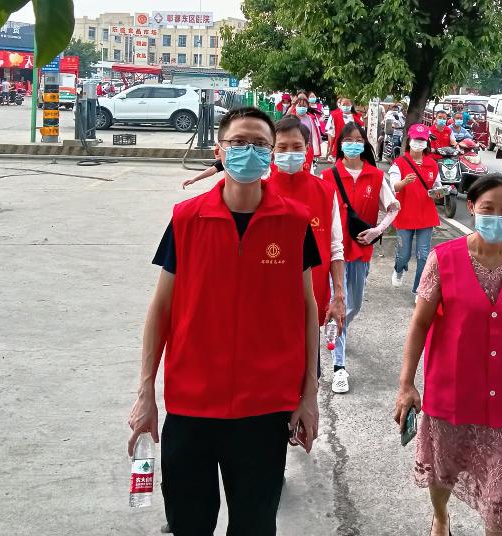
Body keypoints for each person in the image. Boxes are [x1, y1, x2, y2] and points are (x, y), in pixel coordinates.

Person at [128, 107, 321, 535]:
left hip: (264, 407)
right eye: (238, 142)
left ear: (270, 155)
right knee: (189, 523)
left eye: (258, 144)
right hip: (191, 403)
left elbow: (308, 308)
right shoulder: (187, 219)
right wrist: (145, 393)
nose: (248, 151)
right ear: (219, 150)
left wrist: (309, 394)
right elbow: (161, 308)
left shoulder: (293, 222)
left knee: (254, 524)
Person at [394, 173, 502, 536]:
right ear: (471, 208)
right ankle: (441, 517)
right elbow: (420, 323)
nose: (498, 216)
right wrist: (406, 384)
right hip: (452, 390)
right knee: (443, 468)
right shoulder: (443, 259)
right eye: (488, 209)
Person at [323, 122, 399, 393]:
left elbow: (393, 207)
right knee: (340, 302)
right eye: (348, 140)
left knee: (354, 306)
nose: (353, 144)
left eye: (358, 140)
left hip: (361, 251)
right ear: (340, 144)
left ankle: (337, 326)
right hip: (334, 253)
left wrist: (377, 231)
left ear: (364, 143)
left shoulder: (376, 176)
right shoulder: (328, 176)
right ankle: (339, 368)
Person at [269, 116, 346, 368]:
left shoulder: (325, 192)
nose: (289, 153)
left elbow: (336, 248)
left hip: (311, 300)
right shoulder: (258, 191)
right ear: (272, 150)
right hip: (266, 302)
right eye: (282, 147)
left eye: (296, 146)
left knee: (308, 372)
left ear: (307, 149)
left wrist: (338, 296)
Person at [389, 123, 444, 300]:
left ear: (427, 142)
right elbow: (394, 185)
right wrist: (404, 182)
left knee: (423, 255)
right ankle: (399, 269)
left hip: (426, 216)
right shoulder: (399, 163)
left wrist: (439, 193)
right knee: (404, 254)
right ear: (409, 141)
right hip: (405, 214)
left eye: (422, 141)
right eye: (416, 140)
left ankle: (418, 290)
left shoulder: (432, 165)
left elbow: (438, 187)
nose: (419, 144)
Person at [289, 92, 322, 169]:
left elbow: (315, 136)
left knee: (306, 170)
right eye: (300, 106)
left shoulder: (311, 119)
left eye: (304, 106)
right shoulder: (291, 118)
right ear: (296, 106)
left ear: (307, 107)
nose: (302, 108)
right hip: (293, 149)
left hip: (307, 150)